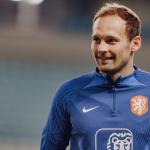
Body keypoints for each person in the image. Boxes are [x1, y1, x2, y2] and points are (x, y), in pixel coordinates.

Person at [40, 2, 150, 150]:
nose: (102, 48)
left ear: (135, 43)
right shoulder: (69, 93)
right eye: (96, 40)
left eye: (111, 40)